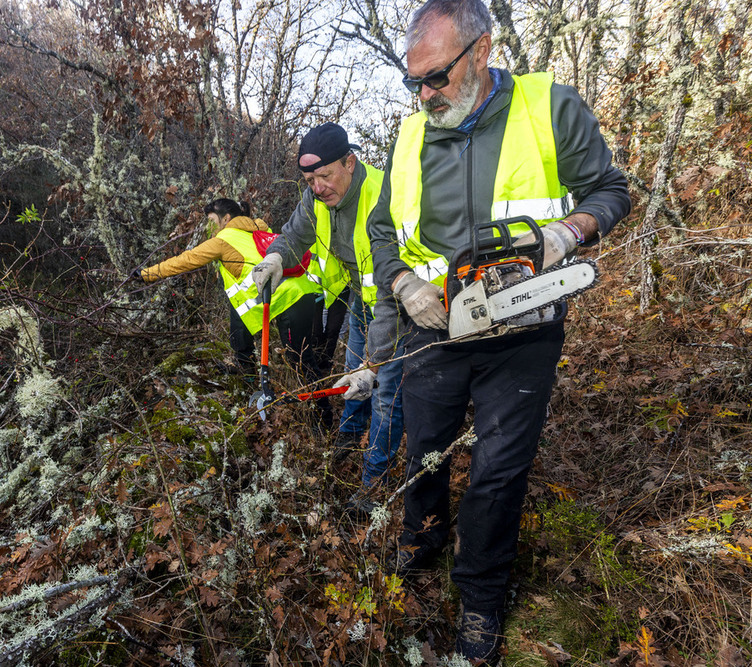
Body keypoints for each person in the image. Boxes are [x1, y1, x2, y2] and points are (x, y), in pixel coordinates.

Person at [339, 0, 632, 663]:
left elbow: (611, 190)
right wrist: (403, 283)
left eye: (436, 77)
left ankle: (480, 595)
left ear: (482, 52)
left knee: (498, 471)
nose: (424, 93)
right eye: (413, 80)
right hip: (435, 327)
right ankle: (423, 537)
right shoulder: (412, 133)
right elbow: (385, 231)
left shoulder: (548, 108)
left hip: (521, 328)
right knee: (425, 449)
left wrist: (569, 231)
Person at [250, 123, 406, 513]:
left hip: (399, 306)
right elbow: (294, 235)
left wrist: (377, 360)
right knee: (351, 377)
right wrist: (275, 258)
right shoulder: (315, 199)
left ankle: (373, 487)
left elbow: (392, 283)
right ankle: (347, 440)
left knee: (385, 392)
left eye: (324, 176)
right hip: (358, 301)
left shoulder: (385, 194)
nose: (317, 187)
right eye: (308, 179)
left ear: (349, 162)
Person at [137, 198, 322, 382]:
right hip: (302, 293)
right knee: (240, 306)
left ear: (225, 218)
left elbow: (184, 261)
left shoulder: (222, 240)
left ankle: (321, 409)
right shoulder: (258, 229)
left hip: (286, 300)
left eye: (211, 221)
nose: (208, 228)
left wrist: (147, 274)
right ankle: (245, 365)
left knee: (302, 365)